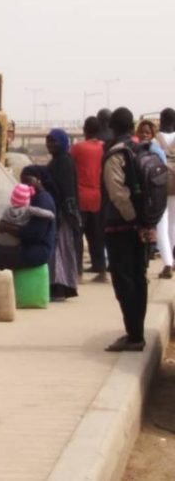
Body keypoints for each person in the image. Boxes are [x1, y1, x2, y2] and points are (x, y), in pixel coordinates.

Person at [102, 107, 156, 352]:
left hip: (121, 228)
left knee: (124, 281)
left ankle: (134, 335)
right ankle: (137, 331)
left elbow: (117, 194)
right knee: (138, 278)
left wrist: (132, 221)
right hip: (142, 226)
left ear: (112, 127)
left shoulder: (116, 154)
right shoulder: (142, 149)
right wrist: (145, 223)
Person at [46, 128, 81, 300]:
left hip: (62, 215)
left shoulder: (64, 162)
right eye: (49, 141)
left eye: (54, 141)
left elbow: (68, 192)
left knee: (61, 252)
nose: (50, 145)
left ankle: (60, 287)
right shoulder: (57, 161)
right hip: (57, 212)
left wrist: (68, 214)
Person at [70, 117, 107, 282]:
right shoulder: (103, 148)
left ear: (85, 130)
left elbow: (69, 167)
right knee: (96, 235)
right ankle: (101, 269)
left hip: (81, 196)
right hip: (98, 196)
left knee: (78, 235)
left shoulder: (77, 148)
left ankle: (77, 272)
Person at [137, 119, 171, 277]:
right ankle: (168, 263)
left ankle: (167, 264)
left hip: (155, 197)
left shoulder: (155, 150)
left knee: (160, 230)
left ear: (152, 135)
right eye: (142, 132)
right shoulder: (146, 150)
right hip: (152, 197)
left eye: (147, 133)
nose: (144, 135)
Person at [155, 108, 175, 275]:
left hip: (161, 183)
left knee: (161, 223)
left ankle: (167, 262)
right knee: (174, 223)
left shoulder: (156, 140)